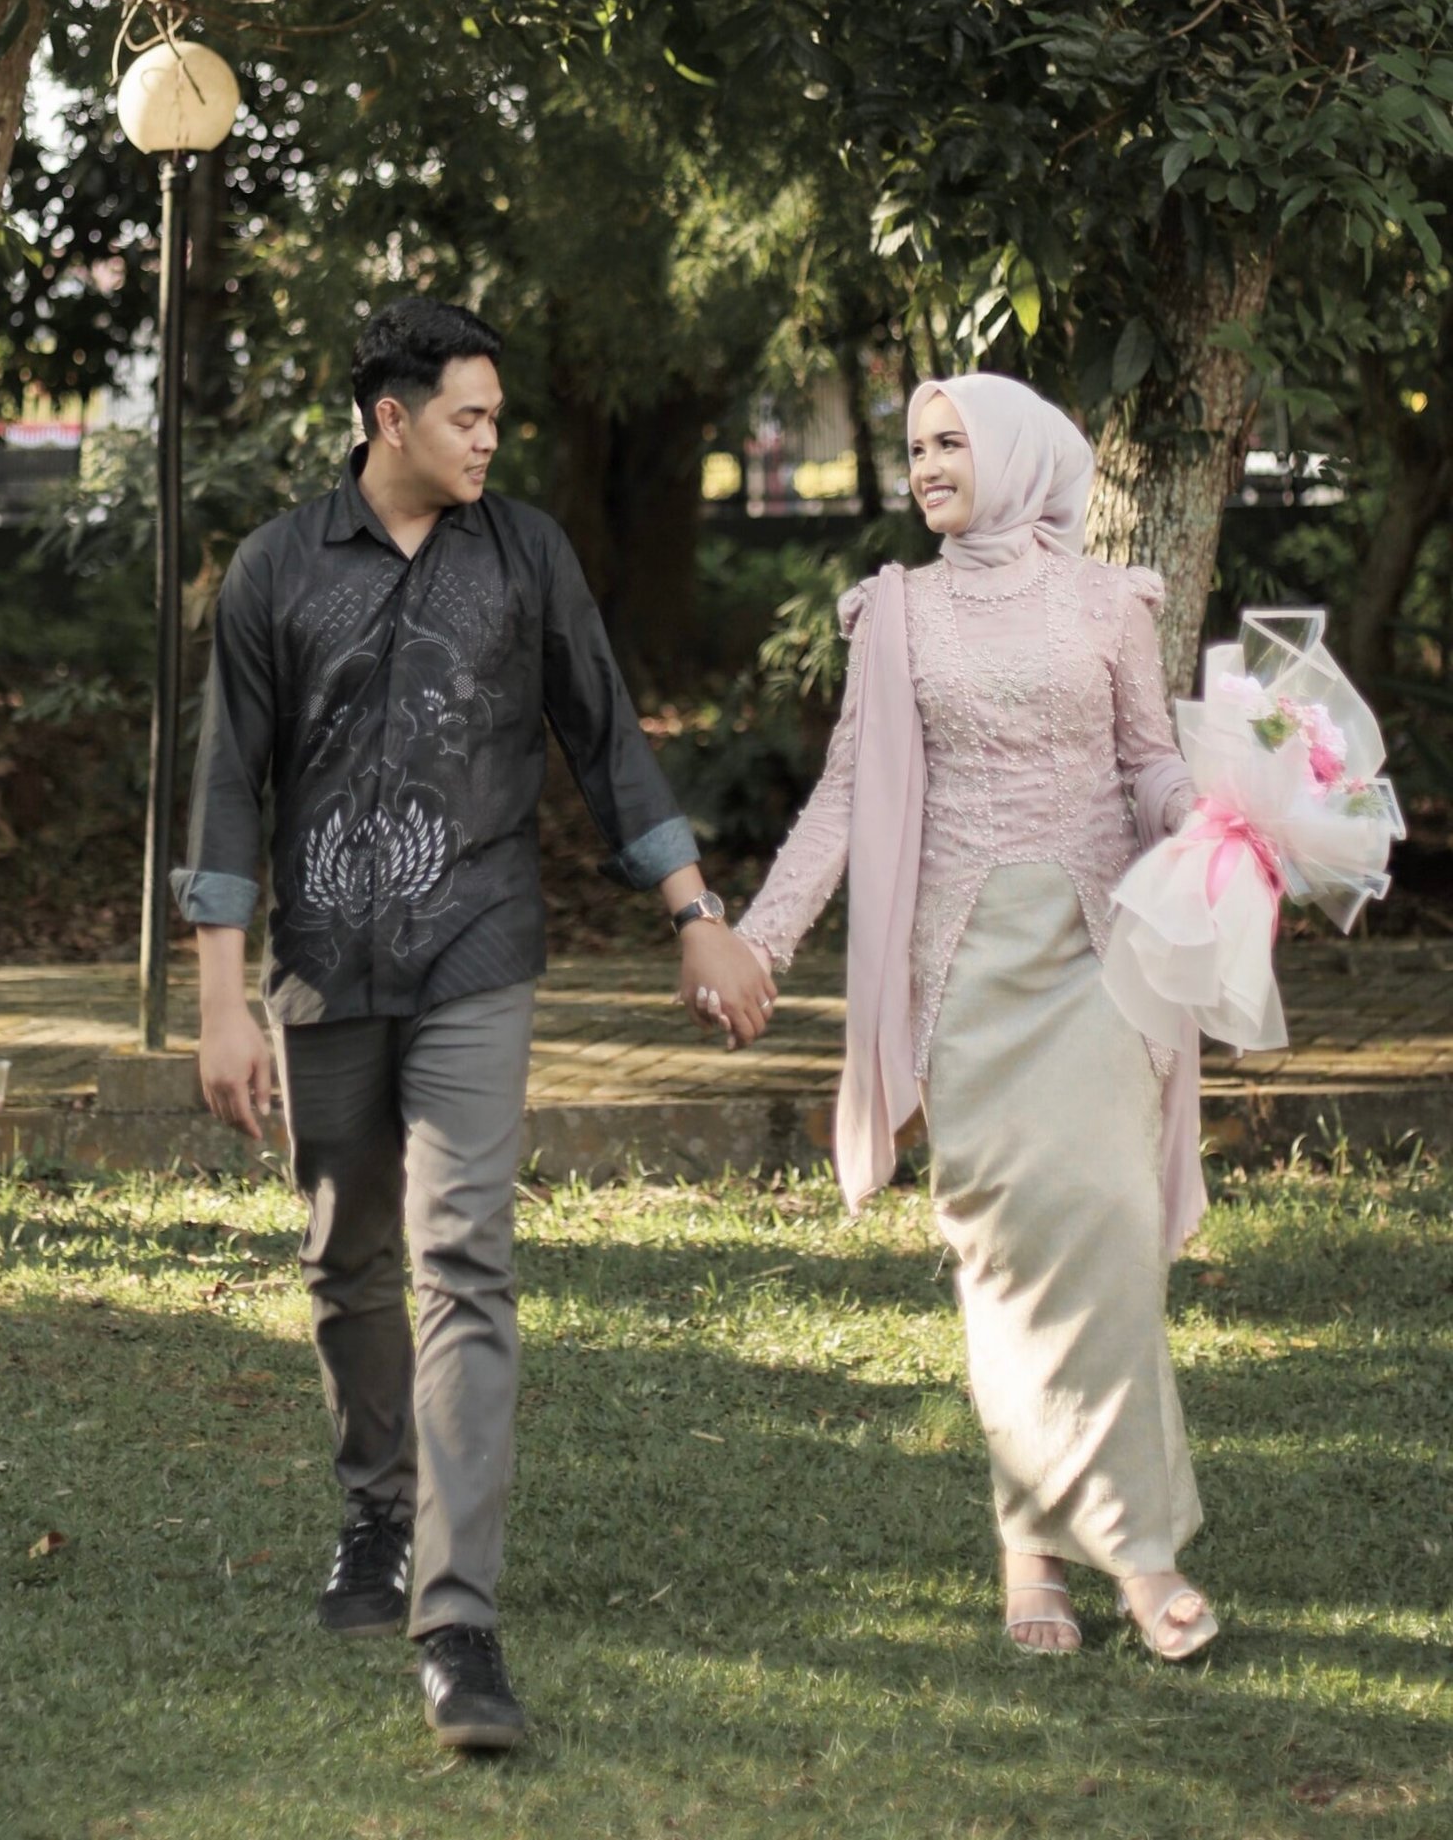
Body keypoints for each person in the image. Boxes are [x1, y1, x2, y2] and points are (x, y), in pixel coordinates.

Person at [173, 297, 774, 1748]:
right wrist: (219, 1002)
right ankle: (377, 1512)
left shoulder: (527, 556)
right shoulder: (274, 571)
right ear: (392, 418)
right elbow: (228, 784)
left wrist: (695, 909)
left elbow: (604, 732)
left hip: (478, 952)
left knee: (464, 1259)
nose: (492, 437)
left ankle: (456, 1619)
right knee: (346, 1253)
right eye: (469, 415)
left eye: (497, 415)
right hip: (322, 964)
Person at [730, 372, 1219, 1662]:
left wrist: (1210, 821)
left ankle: (1142, 1555)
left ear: (1014, 454)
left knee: (1109, 1229)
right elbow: (845, 797)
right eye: (916, 446)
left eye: (952, 442)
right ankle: (1030, 1555)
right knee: (1004, 1262)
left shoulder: (1112, 602)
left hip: (1103, 966)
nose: (930, 464)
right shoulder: (895, 613)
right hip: (964, 981)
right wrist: (760, 938)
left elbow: (1148, 760)